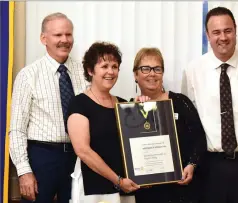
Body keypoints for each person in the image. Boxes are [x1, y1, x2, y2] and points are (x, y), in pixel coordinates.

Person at [181, 6, 238, 203]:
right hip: (210, 167)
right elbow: (190, 121)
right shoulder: (193, 71)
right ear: (207, 35)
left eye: (227, 30)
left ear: (235, 30)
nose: (222, 37)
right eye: (216, 32)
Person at [9, 13, 88, 203]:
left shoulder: (84, 72)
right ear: (43, 38)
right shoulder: (28, 75)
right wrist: (24, 171)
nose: (64, 40)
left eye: (68, 35)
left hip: (79, 157)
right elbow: (17, 129)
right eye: (58, 35)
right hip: (42, 158)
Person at [67, 42, 140, 203]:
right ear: (90, 70)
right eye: (104, 66)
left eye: (115, 66)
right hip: (94, 188)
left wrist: (144, 107)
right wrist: (118, 180)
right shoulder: (79, 104)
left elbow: (136, 142)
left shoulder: (123, 105)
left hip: (125, 186)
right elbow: (83, 151)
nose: (110, 71)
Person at [132, 47, 207, 203]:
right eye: (145, 68)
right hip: (148, 194)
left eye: (157, 69)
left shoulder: (180, 102)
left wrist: (192, 165)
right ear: (135, 75)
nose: (152, 73)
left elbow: (199, 138)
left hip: (183, 189)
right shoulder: (129, 110)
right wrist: (136, 110)